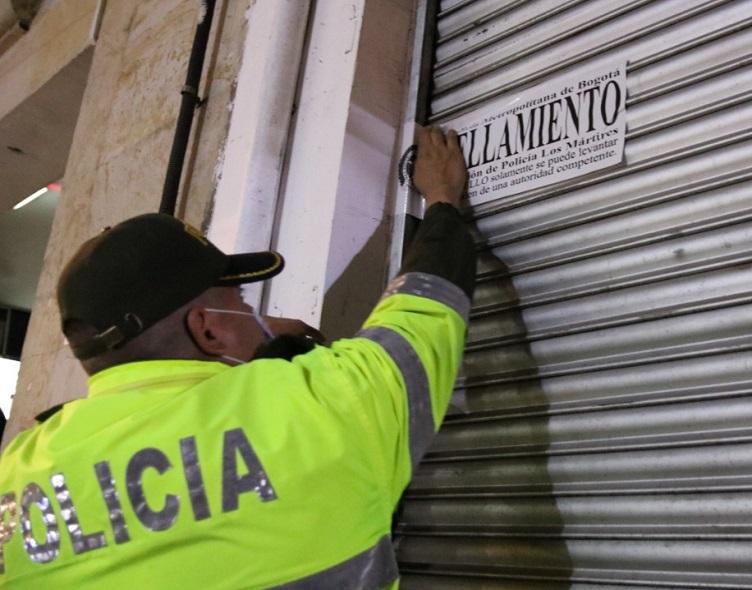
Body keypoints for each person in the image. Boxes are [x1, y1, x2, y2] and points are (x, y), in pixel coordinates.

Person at [0, 126, 474, 589]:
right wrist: (442, 201)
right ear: (207, 328)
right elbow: (424, 312)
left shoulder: (17, 471)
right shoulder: (314, 404)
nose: (256, 311)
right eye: (242, 299)